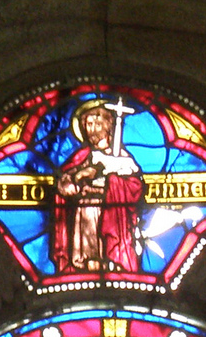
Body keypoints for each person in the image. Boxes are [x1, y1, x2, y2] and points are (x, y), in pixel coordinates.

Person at [49, 98, 145, 275]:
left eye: (97, 123)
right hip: (85, 210)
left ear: (109, 125)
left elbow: (135, 187)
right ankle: (86, 263)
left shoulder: (123, 157)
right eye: (88, 124)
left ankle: (111, 262)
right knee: (87, 251)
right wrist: (71, 183)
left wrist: (112, 182)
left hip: (113, 214)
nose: (91, 129)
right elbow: (65, 182)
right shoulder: (81, 157)